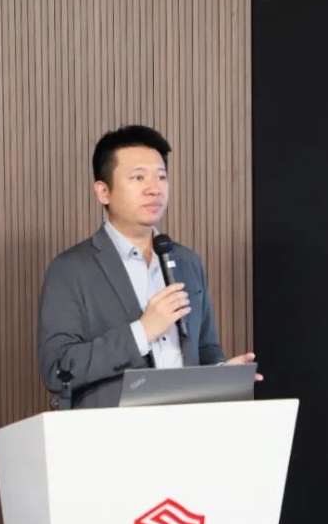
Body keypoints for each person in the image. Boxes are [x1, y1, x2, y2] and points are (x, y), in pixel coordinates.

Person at [37, 124, 258, 409]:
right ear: (103, 191)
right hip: (111, 430)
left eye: (161, 177)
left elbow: (205, 348)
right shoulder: (70, 269)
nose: (154, 189)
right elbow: (58, 368)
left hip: (187, 426)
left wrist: (221, 374)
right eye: (138, 177)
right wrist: (142, 331)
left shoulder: (187, 262)